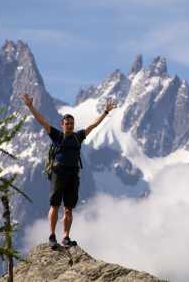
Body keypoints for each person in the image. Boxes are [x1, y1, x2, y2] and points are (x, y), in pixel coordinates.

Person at [20, 93, 117, 248]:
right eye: (67, 123)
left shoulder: (78, 137)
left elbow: (93, 125)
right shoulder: (57, 136)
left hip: (73, 175)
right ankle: (52, 236)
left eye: (72, 123)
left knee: (68, 209)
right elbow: (42, 121)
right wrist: (31, 107)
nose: (70, 125)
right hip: (58, 174)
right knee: (55, 205)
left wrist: (105, 112)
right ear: (62, 124)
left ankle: (65, 237)